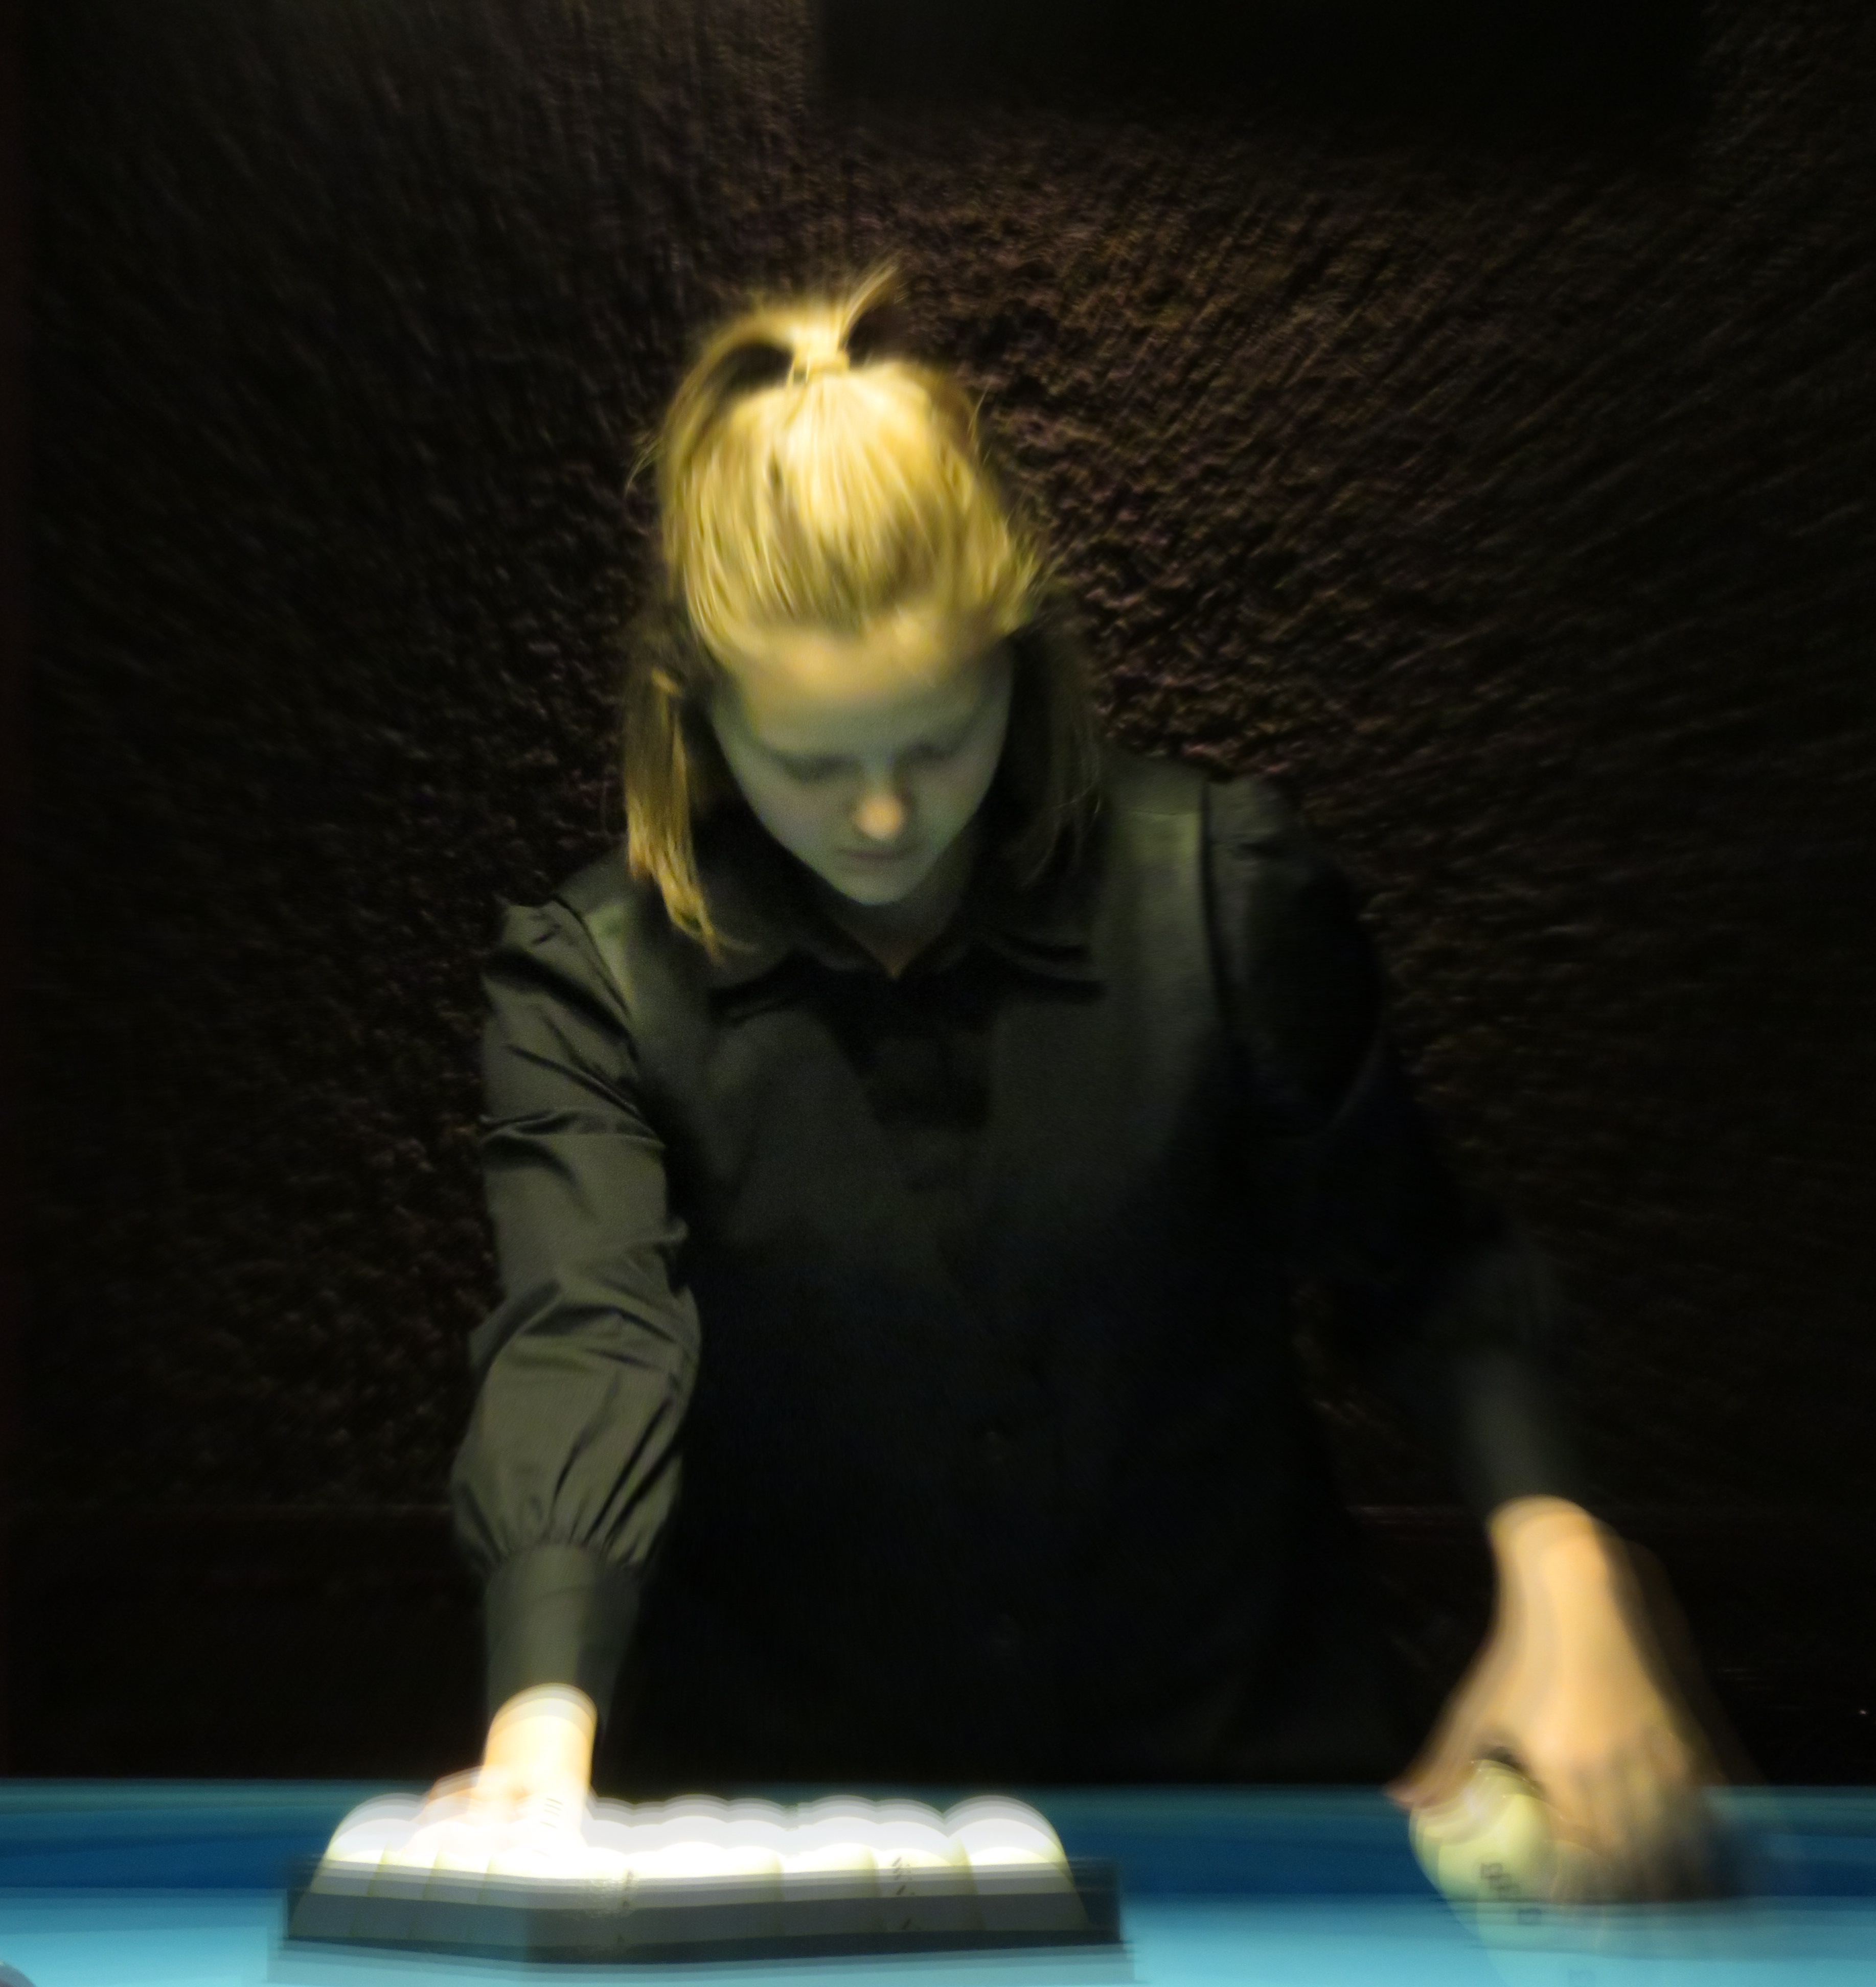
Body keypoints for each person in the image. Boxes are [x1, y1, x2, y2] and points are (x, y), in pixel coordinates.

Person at [440, 268, 1725, 1899]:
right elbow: (589, 1333)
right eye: (814, 763)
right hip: (802, 1846)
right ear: (692, 716)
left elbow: (1422, 1275)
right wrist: (539, 1738)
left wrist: (1566, 1570)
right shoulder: (594, 980)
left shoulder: (1219, 895)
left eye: (937, 738)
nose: (886, 817)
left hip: (1252, 1810)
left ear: (1019, 664)